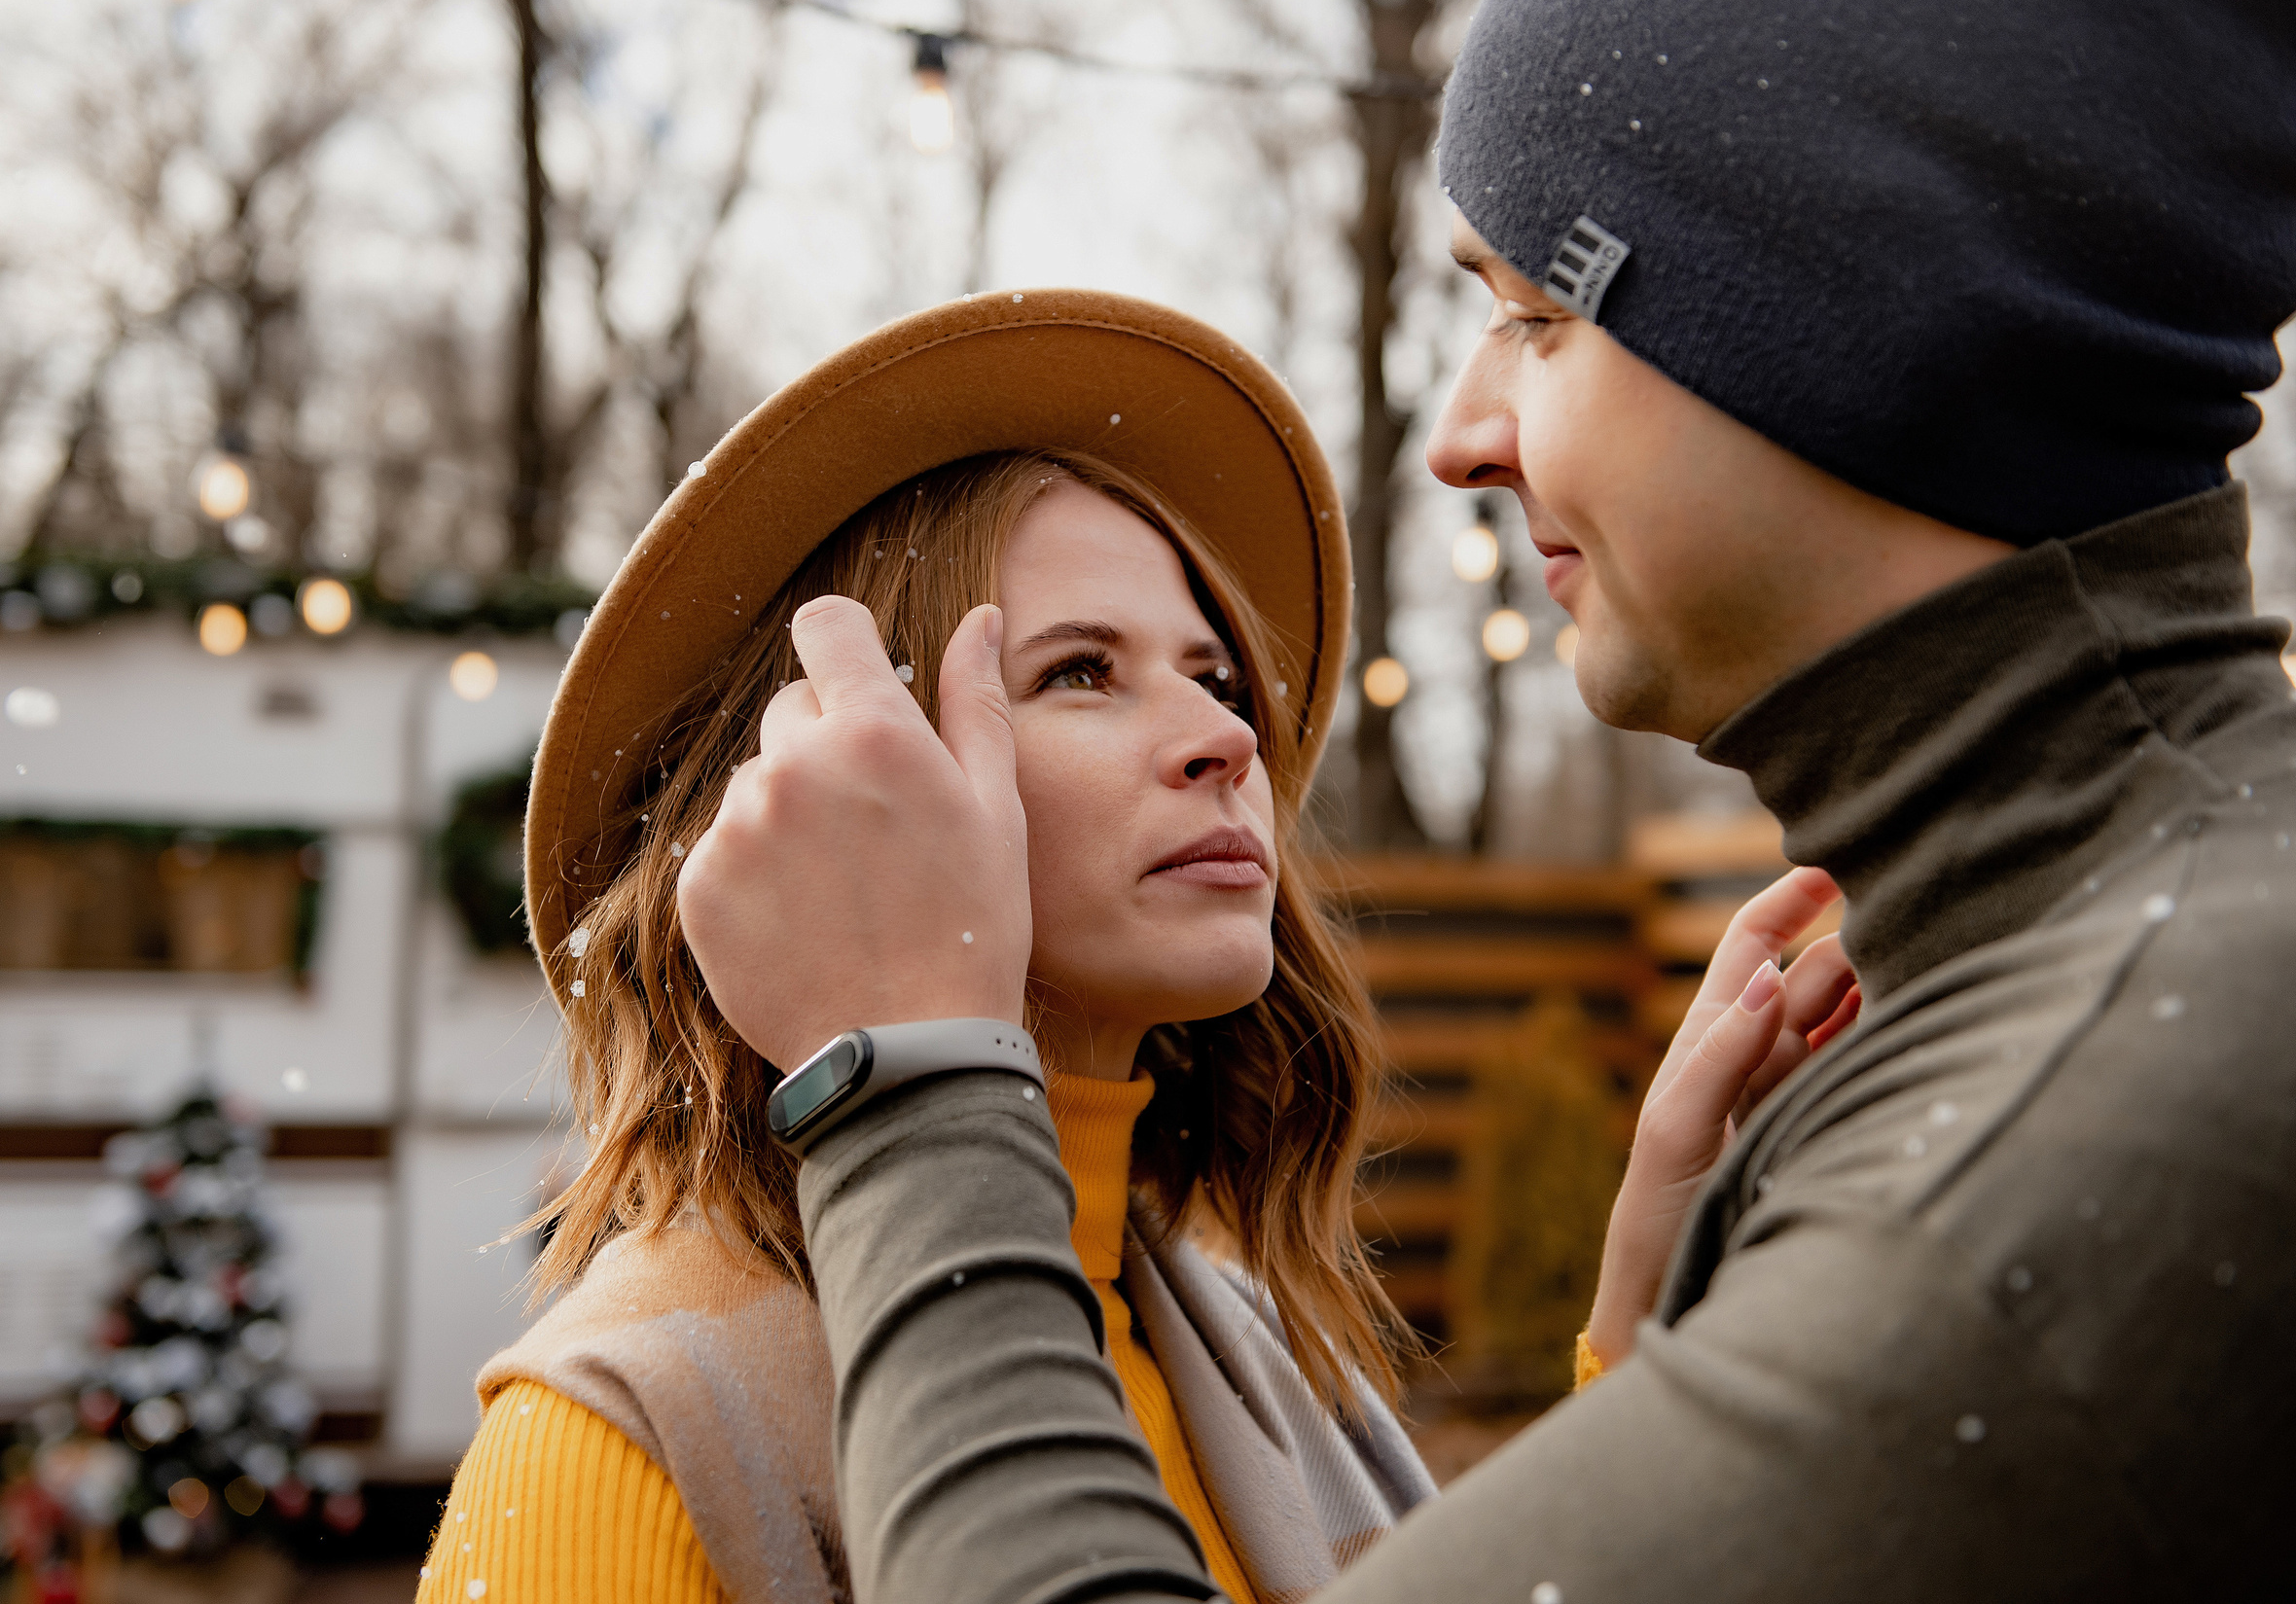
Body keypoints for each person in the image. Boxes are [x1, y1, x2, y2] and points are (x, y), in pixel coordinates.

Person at [676, 0, 2296, 1600]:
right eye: (1081, 669)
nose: (1462, 433)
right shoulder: (2078, 980)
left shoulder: (2066, 1137)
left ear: (1860, 320)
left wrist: (907, 1085)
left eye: (1535, 319)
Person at [415, 293, 1851, 1604]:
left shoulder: (1256, 1345)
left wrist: (1648, 1339)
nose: (1231, 735)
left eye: (1215, 674)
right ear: (833, 776)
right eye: (1080, 671)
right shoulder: (626, 1434)